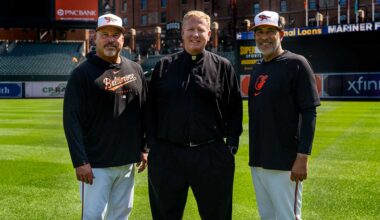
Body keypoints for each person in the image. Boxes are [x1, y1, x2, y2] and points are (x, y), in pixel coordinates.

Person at [147, 10, 243, 220]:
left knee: (217, 215)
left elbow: (235, 107)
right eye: (191, 29)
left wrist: (231, 144)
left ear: (209, 34)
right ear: (182, 33)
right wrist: (153, 146)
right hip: (168, 155)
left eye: (201, 30)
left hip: (210, 154)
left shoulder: (223, 66)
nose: (195, 34)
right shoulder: (164, 66)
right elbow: (150, 109)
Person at [63, 13, 148, 220]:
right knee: (93, 216)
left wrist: (145, 148)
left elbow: (145, 110)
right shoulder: (82, 74)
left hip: (127, 162)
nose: (111, 39)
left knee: (121, 215)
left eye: (115, 35)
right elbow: (71, 119)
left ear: (122, 39)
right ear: (96, 37)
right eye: (105, 34)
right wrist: (80, 161)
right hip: (95, 165)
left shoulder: (135, 69)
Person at [248, 10, 320, 220]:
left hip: (285, 162)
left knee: (288, 217)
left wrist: (302, 158)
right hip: (259, 159)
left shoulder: (297, 63)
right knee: (267, 216)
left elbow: (309, 113)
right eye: (259, 32)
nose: (264, 37)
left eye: (270, 31)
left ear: (281, 34)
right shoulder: (258, 67)